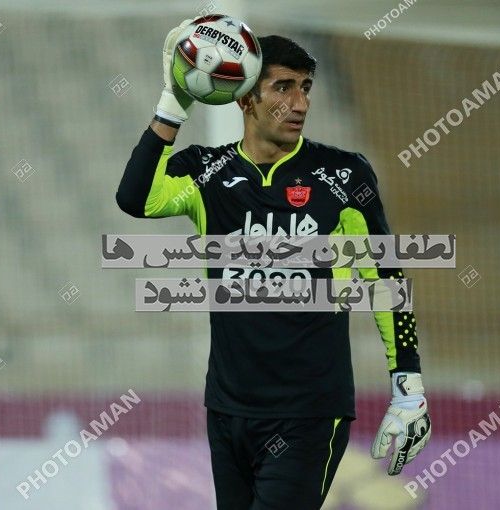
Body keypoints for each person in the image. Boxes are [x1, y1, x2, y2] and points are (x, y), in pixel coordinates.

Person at [116, 17, 431, 509]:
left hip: (309, 413)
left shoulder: (344, 175)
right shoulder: (206, 172)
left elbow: (385, 276)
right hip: (228, 410)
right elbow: (135, 198)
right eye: (283, 87)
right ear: (245, 97)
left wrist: (407, 383)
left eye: (306, 87)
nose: (300, 103)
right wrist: (173, 103)